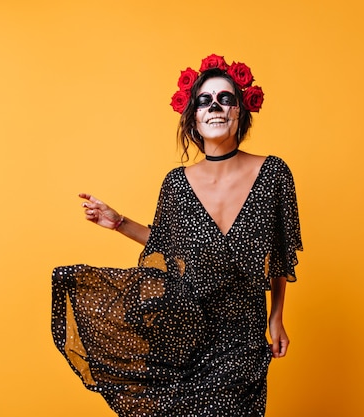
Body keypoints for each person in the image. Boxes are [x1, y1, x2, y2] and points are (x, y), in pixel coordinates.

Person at [52, 54, 303, 417]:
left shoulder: (273, 174)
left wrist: (276, 316)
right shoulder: (177, 184)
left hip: (243, 334)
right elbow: (167, 247)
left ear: (240, 111)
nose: (215, 107)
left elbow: (279, 254)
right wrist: (120, 222)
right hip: (186, 330)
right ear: (194, 118)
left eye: (225, 98)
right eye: (204, 100)